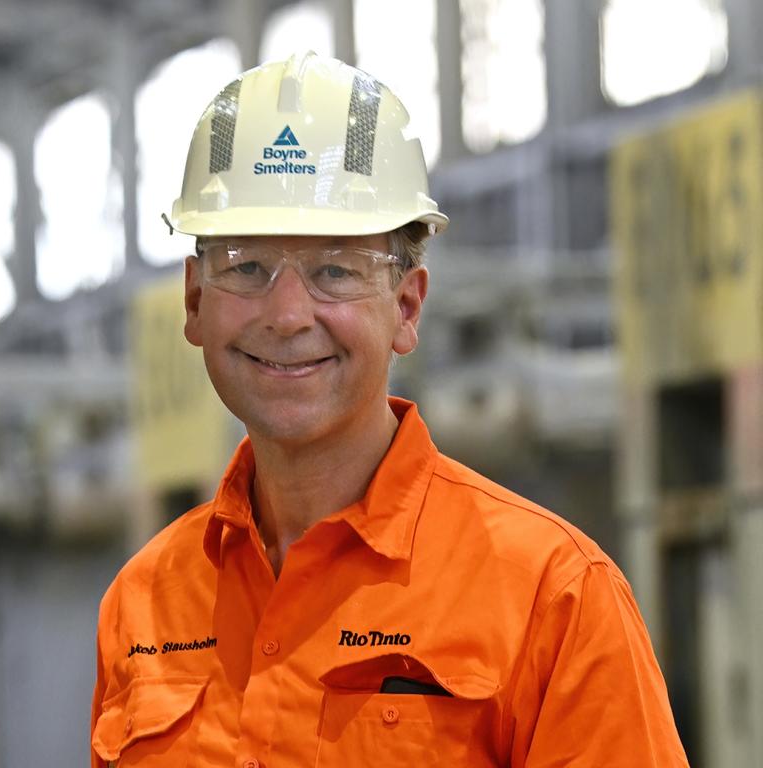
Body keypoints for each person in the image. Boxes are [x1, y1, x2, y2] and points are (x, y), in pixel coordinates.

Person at [91, 52, 688, 767]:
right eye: (246, 266)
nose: (286, 315)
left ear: (406, 307)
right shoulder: (142, 603)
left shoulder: (550, 596)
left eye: (335, 271)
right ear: (194, 300)